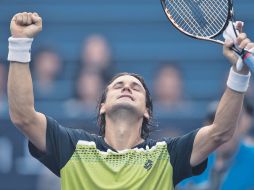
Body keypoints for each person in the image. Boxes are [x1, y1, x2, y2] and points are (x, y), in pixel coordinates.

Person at [7, 12, 253, 190]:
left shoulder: (167, 155)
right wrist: (20, 43)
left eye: (136, 87)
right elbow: (23, 116)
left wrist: (239, 73)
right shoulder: (73, 147)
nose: (127, 86)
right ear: (102, 106)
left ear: (146, 111)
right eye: (117, 85)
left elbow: (221, 132)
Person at [178, 99, 254, 190]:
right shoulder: (193, 160)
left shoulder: (251, 158)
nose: (220, 134)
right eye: (214, 126)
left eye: (227, 126)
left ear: (241, 126)